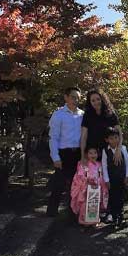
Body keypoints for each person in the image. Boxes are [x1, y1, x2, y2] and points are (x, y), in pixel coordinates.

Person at [46, 86, 83, 217]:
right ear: (66, 97)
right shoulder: (58, 114)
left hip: (78, 154)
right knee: (58, 184)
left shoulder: (82, 115)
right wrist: (55, 157)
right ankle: (51, 213)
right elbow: (53, 137)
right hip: (63, 153)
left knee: (76, 185)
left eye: (78, 98)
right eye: (73, 97)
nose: (75, 100)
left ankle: (73, 214)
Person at [70, 147, 108, 227]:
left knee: (95, 203)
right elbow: (79, 175)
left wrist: (98, 182)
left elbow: (101, 176)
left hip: (97, 187)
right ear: (86, 154)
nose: (93, 155)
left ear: (98, 154)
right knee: (85, 204)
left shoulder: (99, 164)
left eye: (95, 153)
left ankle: (94, 221)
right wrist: (87, 180)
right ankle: (84, 221)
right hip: (86, 187)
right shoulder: (82, 164)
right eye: (90, 153)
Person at [101, 127, 128, 227]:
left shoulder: (123, 148)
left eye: (116, 137)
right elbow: (104, 166)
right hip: (111, 179)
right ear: (107, 140)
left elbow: (127, 163)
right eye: (111, 138)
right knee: (112, 197)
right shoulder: (105, 151)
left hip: (122, 178)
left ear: (119, 138)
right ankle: (114, 217)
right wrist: (106, 180)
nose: (114, 140)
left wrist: (127, 176)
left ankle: (120, 216)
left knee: (121, 197)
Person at [80, 87, 119, 162]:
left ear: (102, 99)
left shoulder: (111, 114)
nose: (96, 102)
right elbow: (83, 137)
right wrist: (82, 155)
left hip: (108, 152)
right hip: (92, 154)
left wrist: (118, 149)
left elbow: (119, 134)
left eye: (98, 99)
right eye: (93, 100)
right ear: (90, 102)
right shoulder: (87, 115)